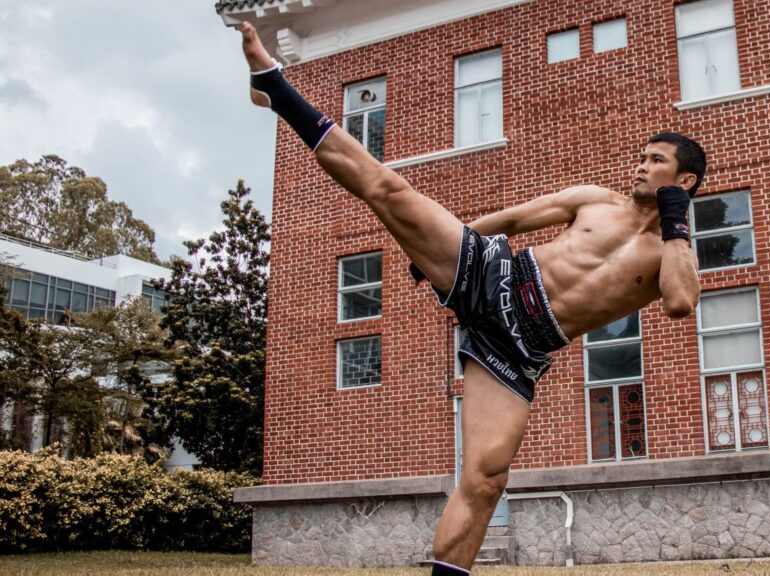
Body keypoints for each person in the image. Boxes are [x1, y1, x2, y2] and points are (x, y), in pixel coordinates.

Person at [238, 22, 703, 575]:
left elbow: (679, 302)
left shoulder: (671, 254)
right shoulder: (596, 201)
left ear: (686, 180)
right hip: (493, 272)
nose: (641, 166)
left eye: (655, 161)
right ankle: (276, 90)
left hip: (518, 346)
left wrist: (676, 219)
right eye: (642, 156)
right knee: (391, 191)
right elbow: (510, 220)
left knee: (485, 479)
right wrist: (434, 250)